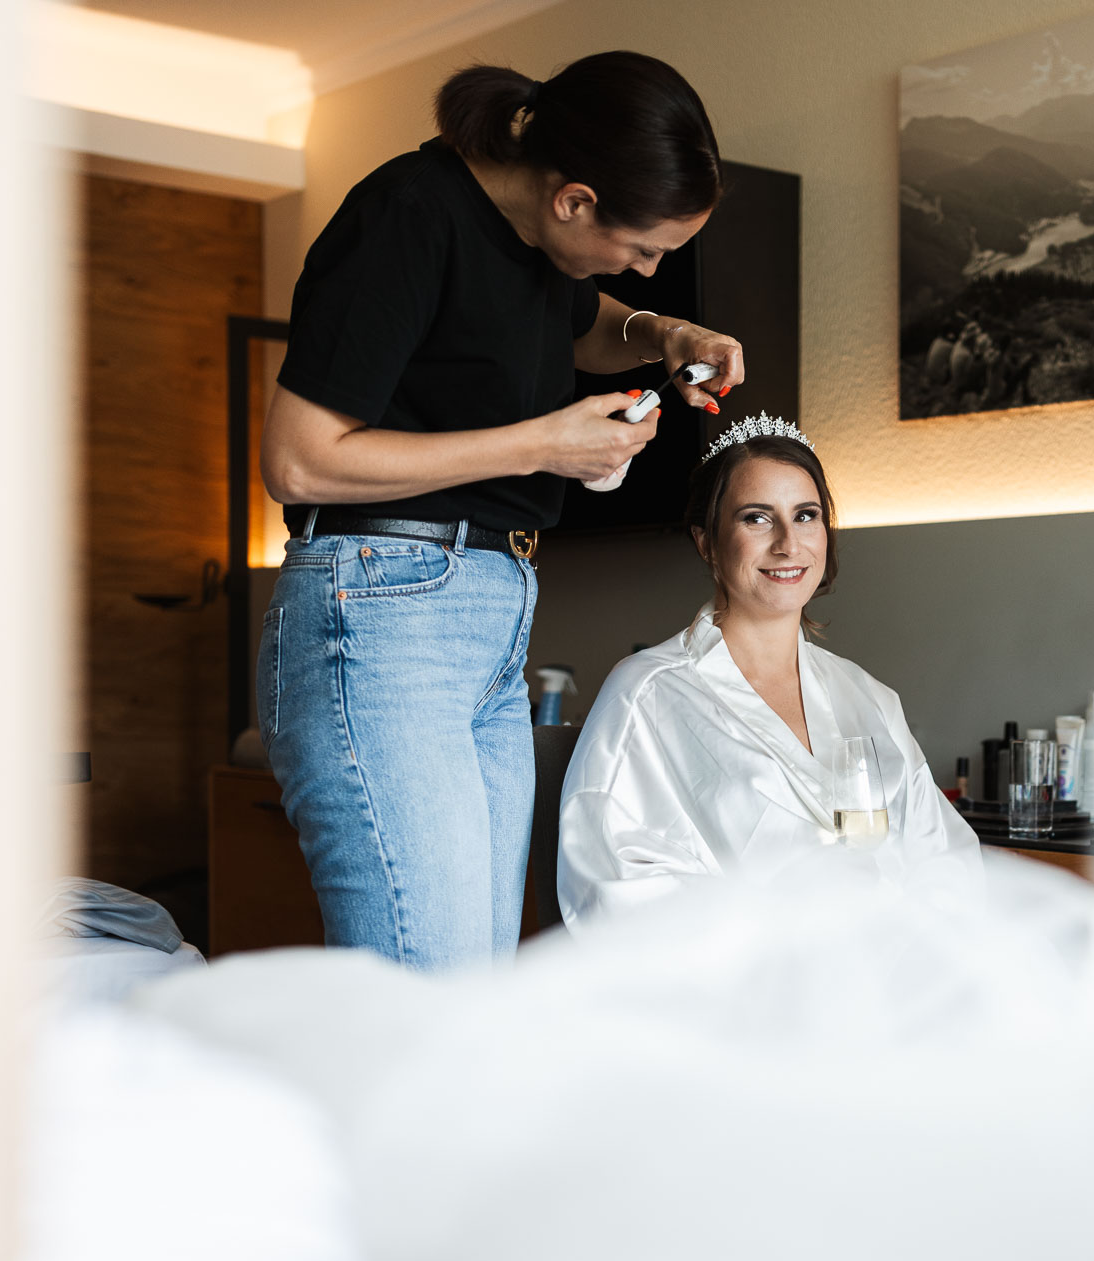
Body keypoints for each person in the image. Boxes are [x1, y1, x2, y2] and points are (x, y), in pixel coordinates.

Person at [257, 52, 744, 971]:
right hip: (383, 611)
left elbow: (585, 323)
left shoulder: (534, 242)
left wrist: (659, 332)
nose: (649, 268)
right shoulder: (407, 217)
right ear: (574, 200)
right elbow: (297, 458)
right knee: (430, 988)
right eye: (643, 248)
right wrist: (542, 444)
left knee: (475, 989)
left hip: (491, 618)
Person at [556, 415, 983, 925]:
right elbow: (613, 885)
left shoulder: (869, 696)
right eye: (756, 518)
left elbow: (944, 858)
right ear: (706, 542)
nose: (788, 543)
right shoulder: (646, 693)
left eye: (805, 515)